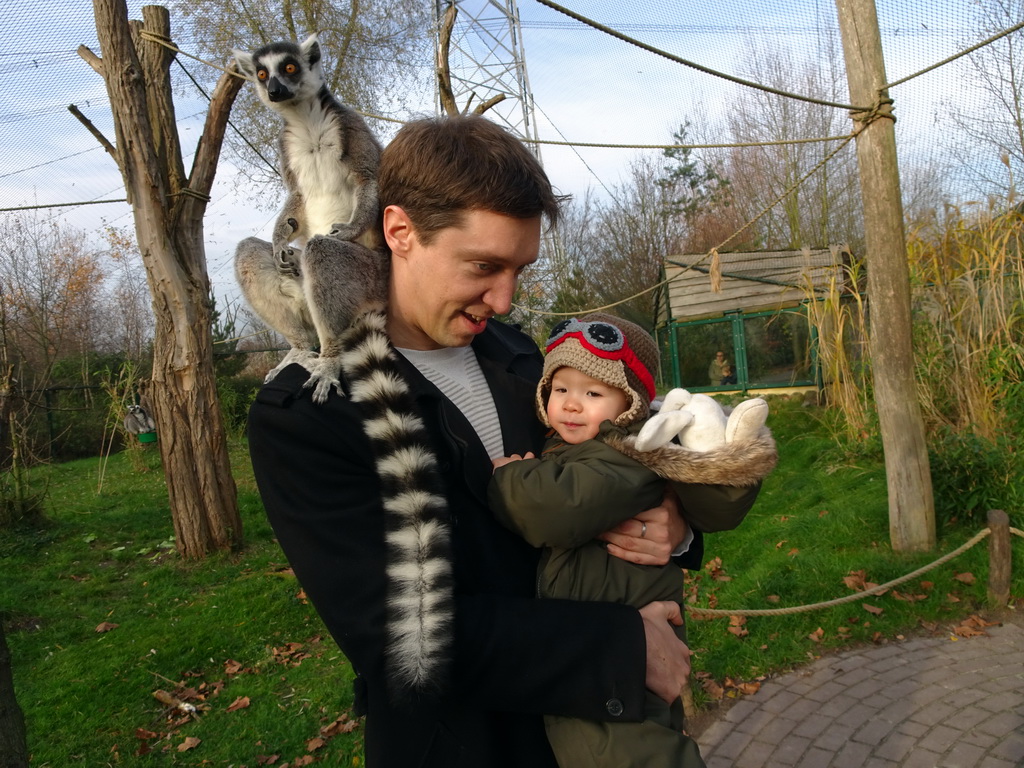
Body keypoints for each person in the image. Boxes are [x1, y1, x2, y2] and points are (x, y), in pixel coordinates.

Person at [247, 115, 756, 767]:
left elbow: (599, 472)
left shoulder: (521, 356)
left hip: (594, 734)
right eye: (484, 266)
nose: (506, 297)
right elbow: (400, 636)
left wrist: (672, 526)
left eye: (520, 268)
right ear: (398, 230)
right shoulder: (310, 412)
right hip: (466, 743)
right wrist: (624, 648)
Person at [489, 314, 764, 768]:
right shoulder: (574, 448)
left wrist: (509, 478)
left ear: (631, 405)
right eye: (561, 390)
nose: (572, 405)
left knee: (634, 751)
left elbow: (556, 510)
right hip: (596, 641)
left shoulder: (624, 451)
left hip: (625, 645)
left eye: (593, 393)